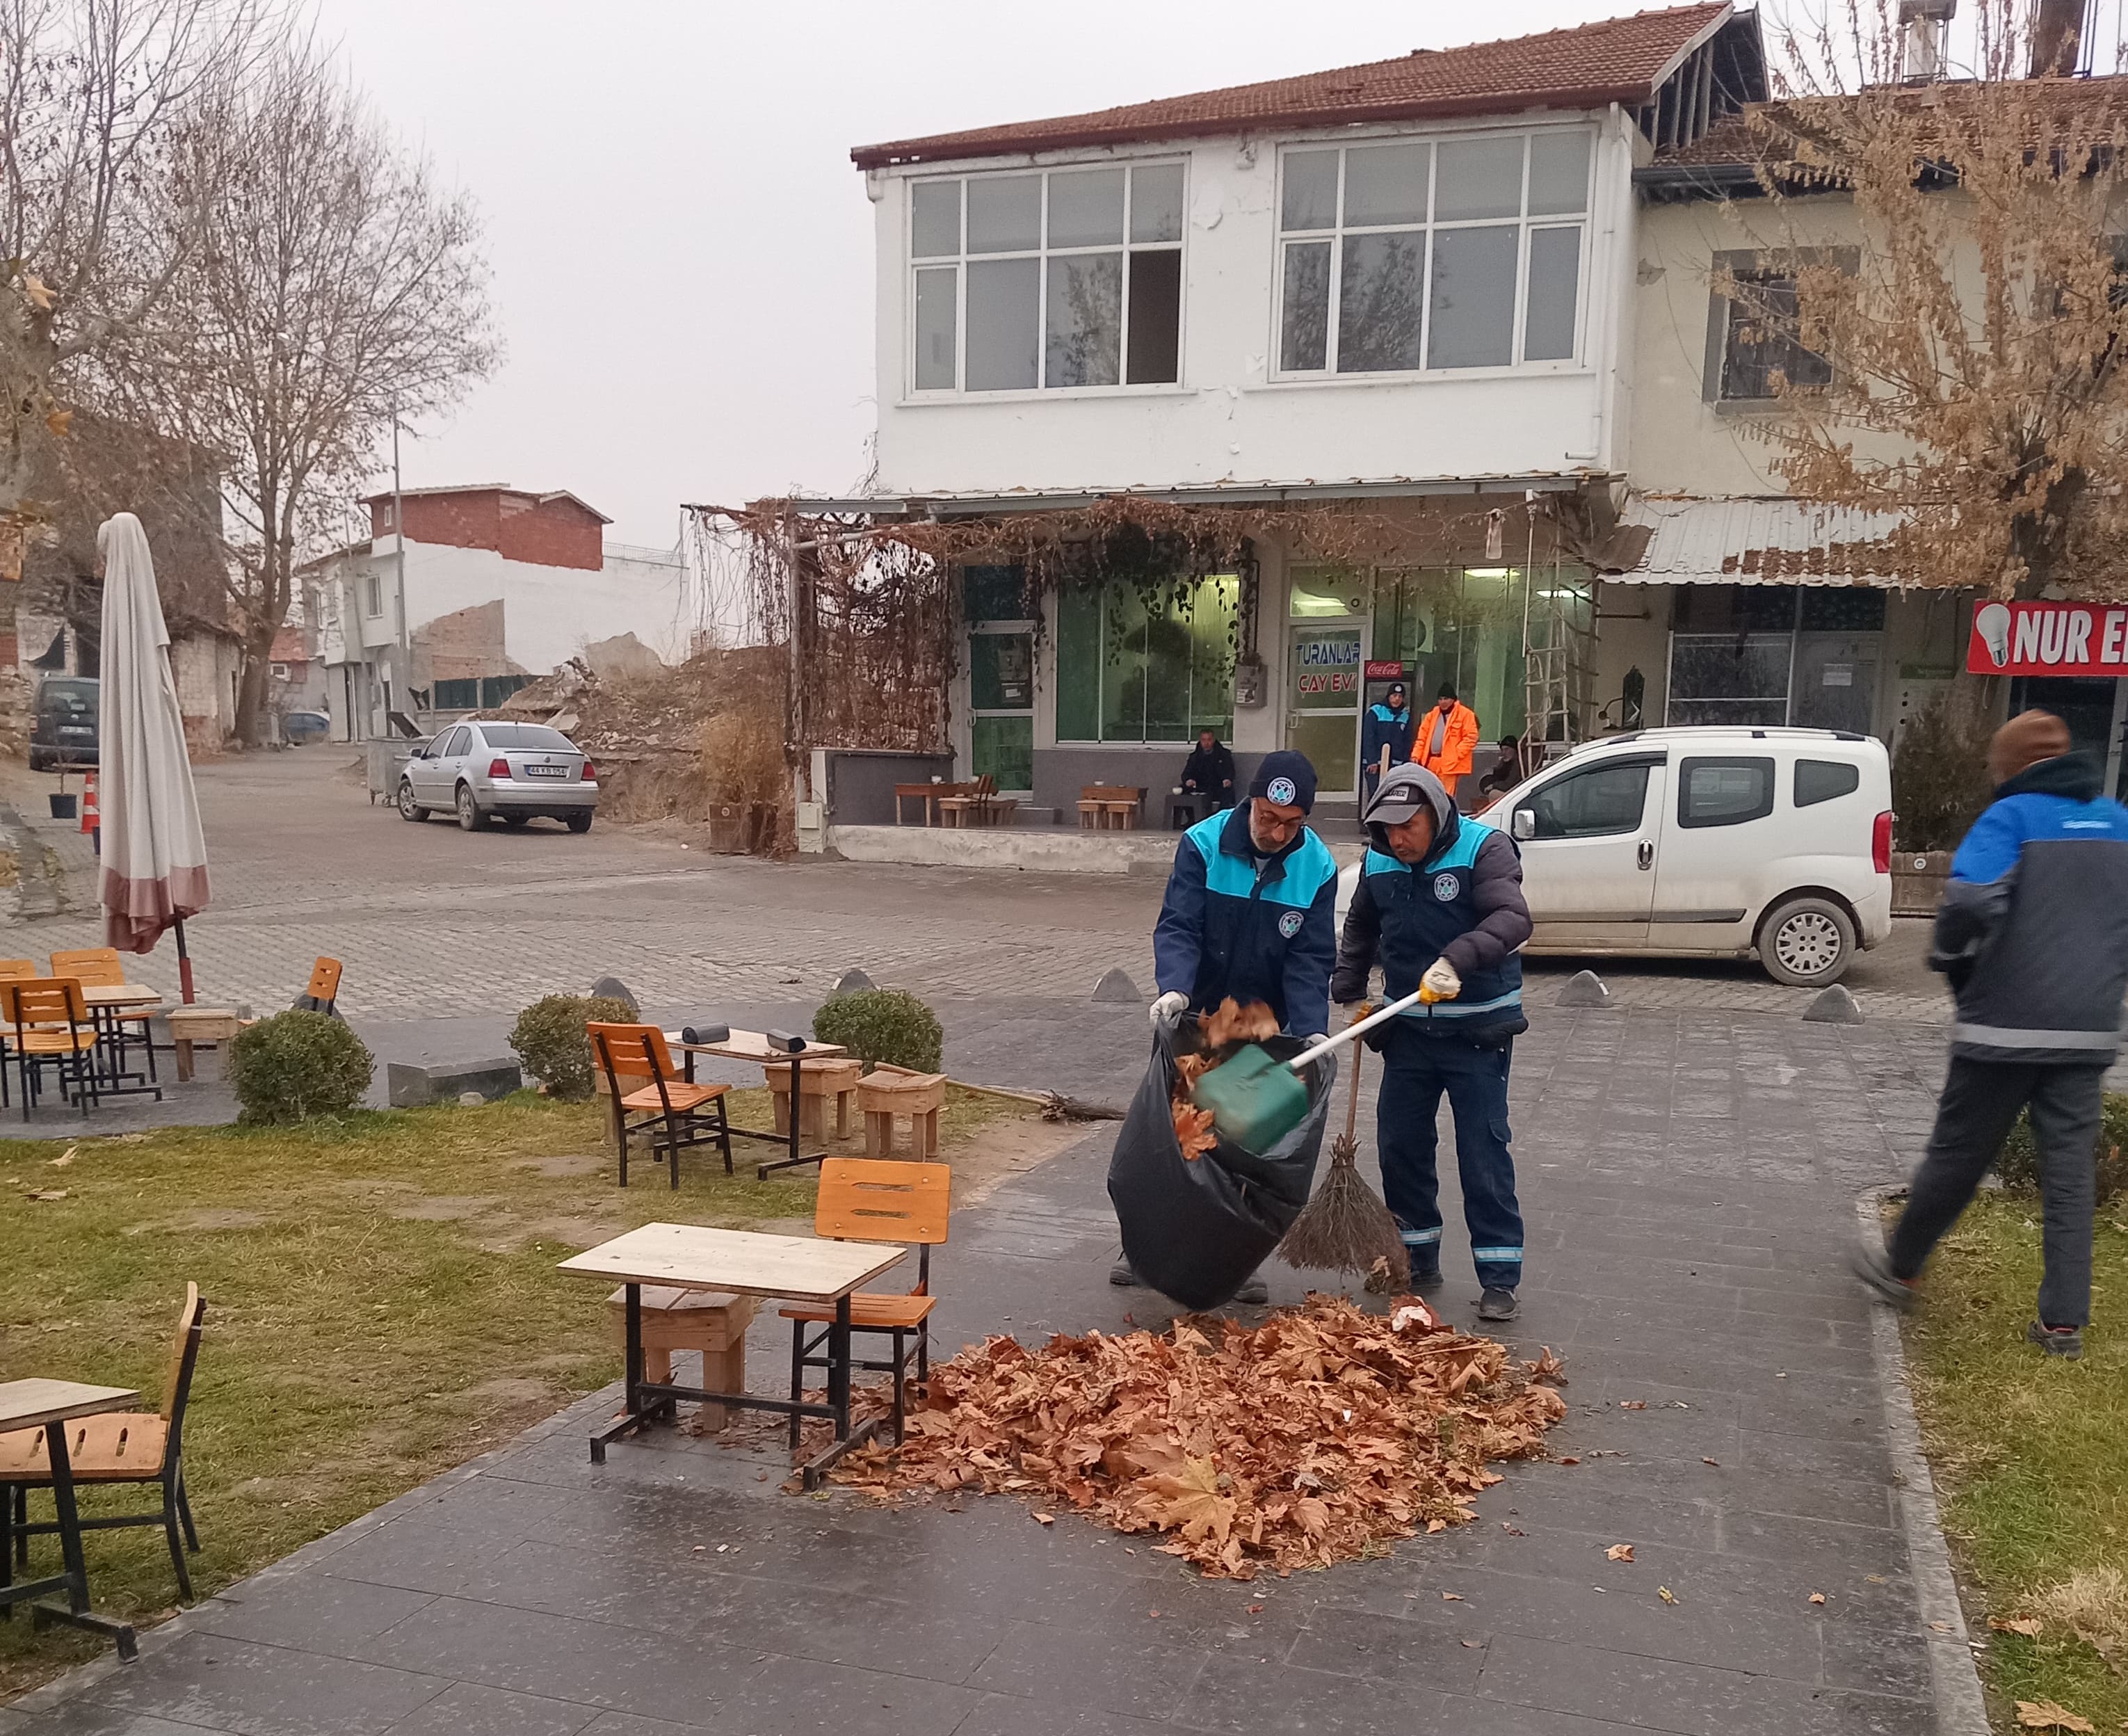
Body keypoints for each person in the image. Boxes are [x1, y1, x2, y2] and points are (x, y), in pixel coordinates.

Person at [1855, 710, 2128, 1359]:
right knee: (2068, 1175)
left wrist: (1953, 962)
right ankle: (2062, 1324)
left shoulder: (2011, 819)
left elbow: (1971, 902)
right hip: (2087, 1032)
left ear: (2009, 766)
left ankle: (1901, 1268)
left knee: (1958, 1157)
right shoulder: (2118, 823)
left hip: (2002, 1025)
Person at [1125, 750, 1339, 1301]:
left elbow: (1311, 957)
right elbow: (1180, 925)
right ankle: (1145, 1243)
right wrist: (1175, 985)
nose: (1276, 832)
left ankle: (1234, 1256)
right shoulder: (1203, 843)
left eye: (1291, 824)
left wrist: (1312, 1027)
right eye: (1267, 817)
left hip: (1262, 1024)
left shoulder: (1317, 867)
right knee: (1173, 1134)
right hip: (1196, 1014)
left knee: (1246, 1141)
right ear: (1252, 803)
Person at [1330, 761, 1532, 1322]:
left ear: (1436, 813)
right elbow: (1363, 928)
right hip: (1409, 1034)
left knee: (1482, 1154)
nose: (1399, 838)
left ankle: (1499, 1277)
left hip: (1476, 1032)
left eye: (1409, 826)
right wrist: (1350, 991)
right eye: (1388, 829)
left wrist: (1456, 960)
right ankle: (1416, 1259)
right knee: (1401, 1147)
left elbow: (1512, 919)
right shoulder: (1380, 860)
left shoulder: (1484, 850)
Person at [1414, 682, 1481, 798]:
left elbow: (1471, 737)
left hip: (1451, 764)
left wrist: (1456, 754)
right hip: (1431, 762)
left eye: (1446, 698)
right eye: (1440, 699)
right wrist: (1416, 756)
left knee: (1446, 797)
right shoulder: (1431, 716)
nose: (1443, 702)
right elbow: (1422, 739)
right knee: (1430, 795)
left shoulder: (1466, 714)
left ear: (1453, 700)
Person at [1360, 682, 1414, 805]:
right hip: (1376, 765)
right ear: (1388, 696)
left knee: (1393, 798)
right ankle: (1374, 823)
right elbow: (1368, 738)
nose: (1397, 699)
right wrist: (1372, 761)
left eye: (1400, 696)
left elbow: (1407, 741)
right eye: (1394, 695)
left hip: (1396, 765)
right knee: (1376, 796)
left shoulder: (1404, 716)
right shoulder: (1376, 712)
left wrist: (1406, 763)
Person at [1180, 728, 1236, 814]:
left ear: (1213, 740)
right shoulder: (1194, 757)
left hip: (1218, 786)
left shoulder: (1224, 754)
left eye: (1209, 740)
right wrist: (1188, 780)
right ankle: (1192, 819)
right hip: (1200, 786)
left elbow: (1231, 771)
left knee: (1228, 792)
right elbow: (1187, 773)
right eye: (1204, 740)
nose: (1206, 743)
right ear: (1200, 740)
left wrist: (1227, 779)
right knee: (1183, 790)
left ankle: (1219, 820)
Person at [1473, 736, 1528, 811]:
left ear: (1515, 750)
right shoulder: (1505, 763)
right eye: (1502, 750)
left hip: (1515, 794)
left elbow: (1509, 784)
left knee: (1493, 794)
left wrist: (1493, 786)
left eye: (1507, 749)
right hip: (1507, 791)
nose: (1504, 753)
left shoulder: (1518, 764)